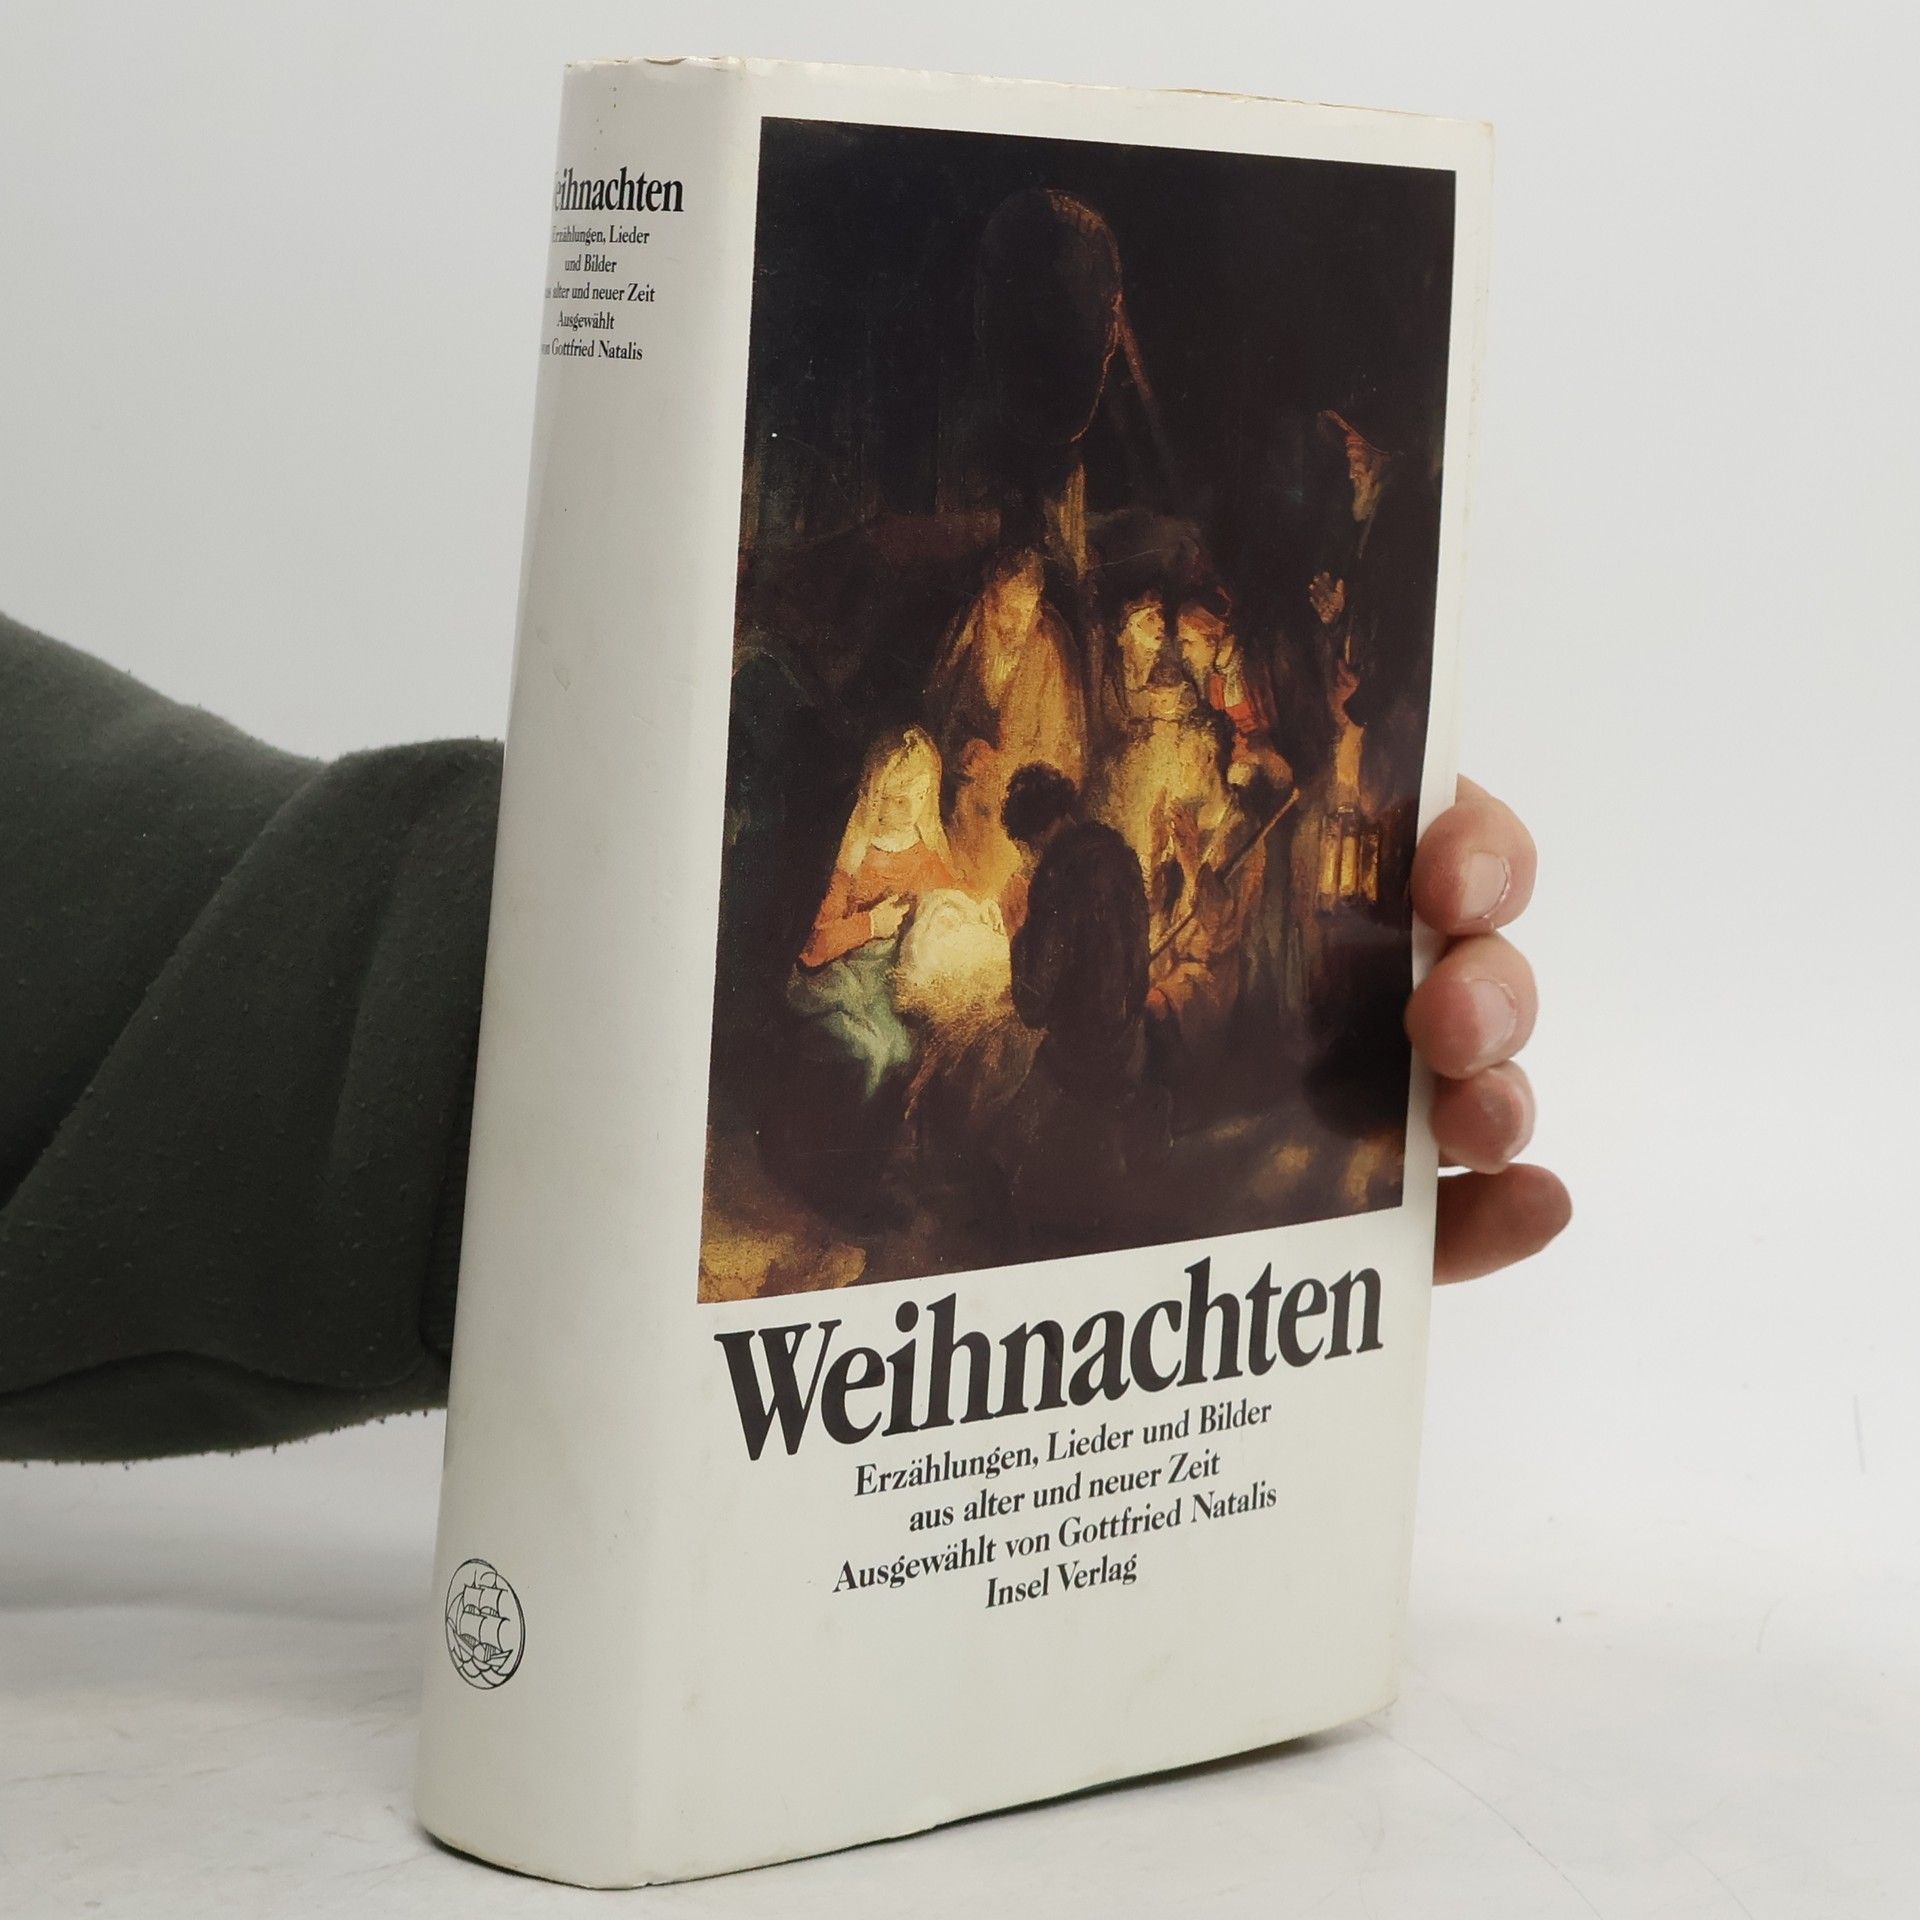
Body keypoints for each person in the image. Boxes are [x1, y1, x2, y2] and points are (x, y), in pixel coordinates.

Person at [0, 611, 1568, 1461]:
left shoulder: (1055, 842)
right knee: (930, 1079)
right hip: (1023, 1067)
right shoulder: (994, 817)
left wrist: (521, 986)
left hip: (1038, 1068)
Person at [788, 725, 956, 1102]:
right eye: (898, 799)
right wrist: (870, 924)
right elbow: (813, 948)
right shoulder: (855, 853)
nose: (911, 810)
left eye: (920, 796)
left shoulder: (925, 855)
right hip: (840, 979)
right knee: (873, 1050)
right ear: (877, 795)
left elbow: (952, 901)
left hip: (888, 982)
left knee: (906, 1050)